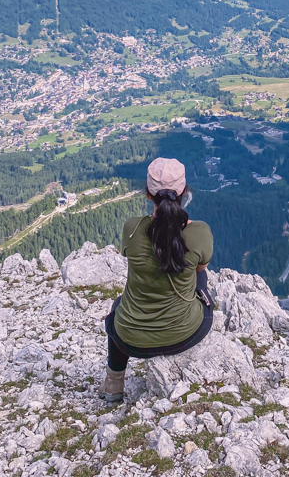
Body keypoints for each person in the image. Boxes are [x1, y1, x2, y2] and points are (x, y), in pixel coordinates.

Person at [100, 157, 214, 402]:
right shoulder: (199, 232)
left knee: (118, 306)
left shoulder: (132, 228)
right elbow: (200, 268)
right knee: (201, 279)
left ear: (148, 194)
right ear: (184, 191)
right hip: (184, 334)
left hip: (130, 340)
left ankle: (113, 384)